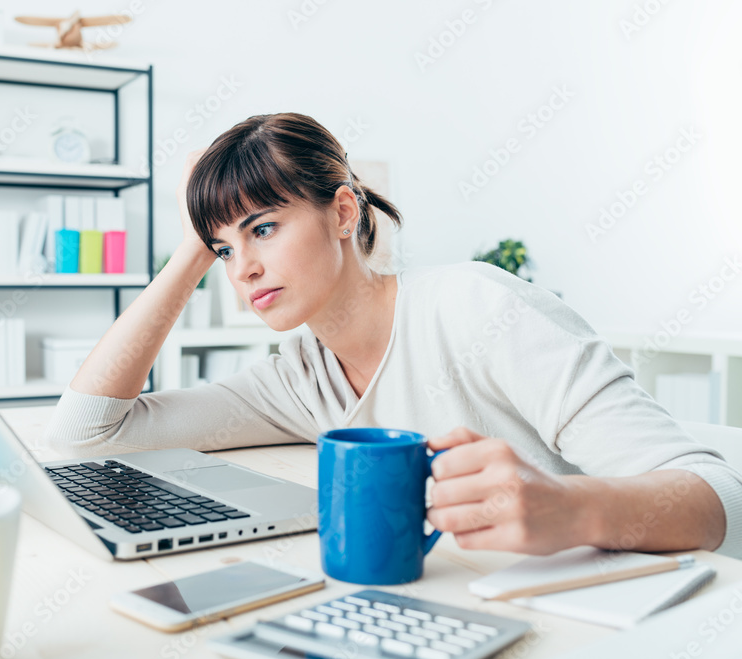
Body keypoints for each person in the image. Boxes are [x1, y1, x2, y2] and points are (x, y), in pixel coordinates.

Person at [42, 112, 741, 559]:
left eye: (263, 227)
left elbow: (721, 500)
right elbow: (87, 431)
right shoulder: (299, 377)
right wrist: (194, 244)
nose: (243, 266)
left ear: (343, 212)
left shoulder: (476, 307)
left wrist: (572, 508)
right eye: (224, 250)